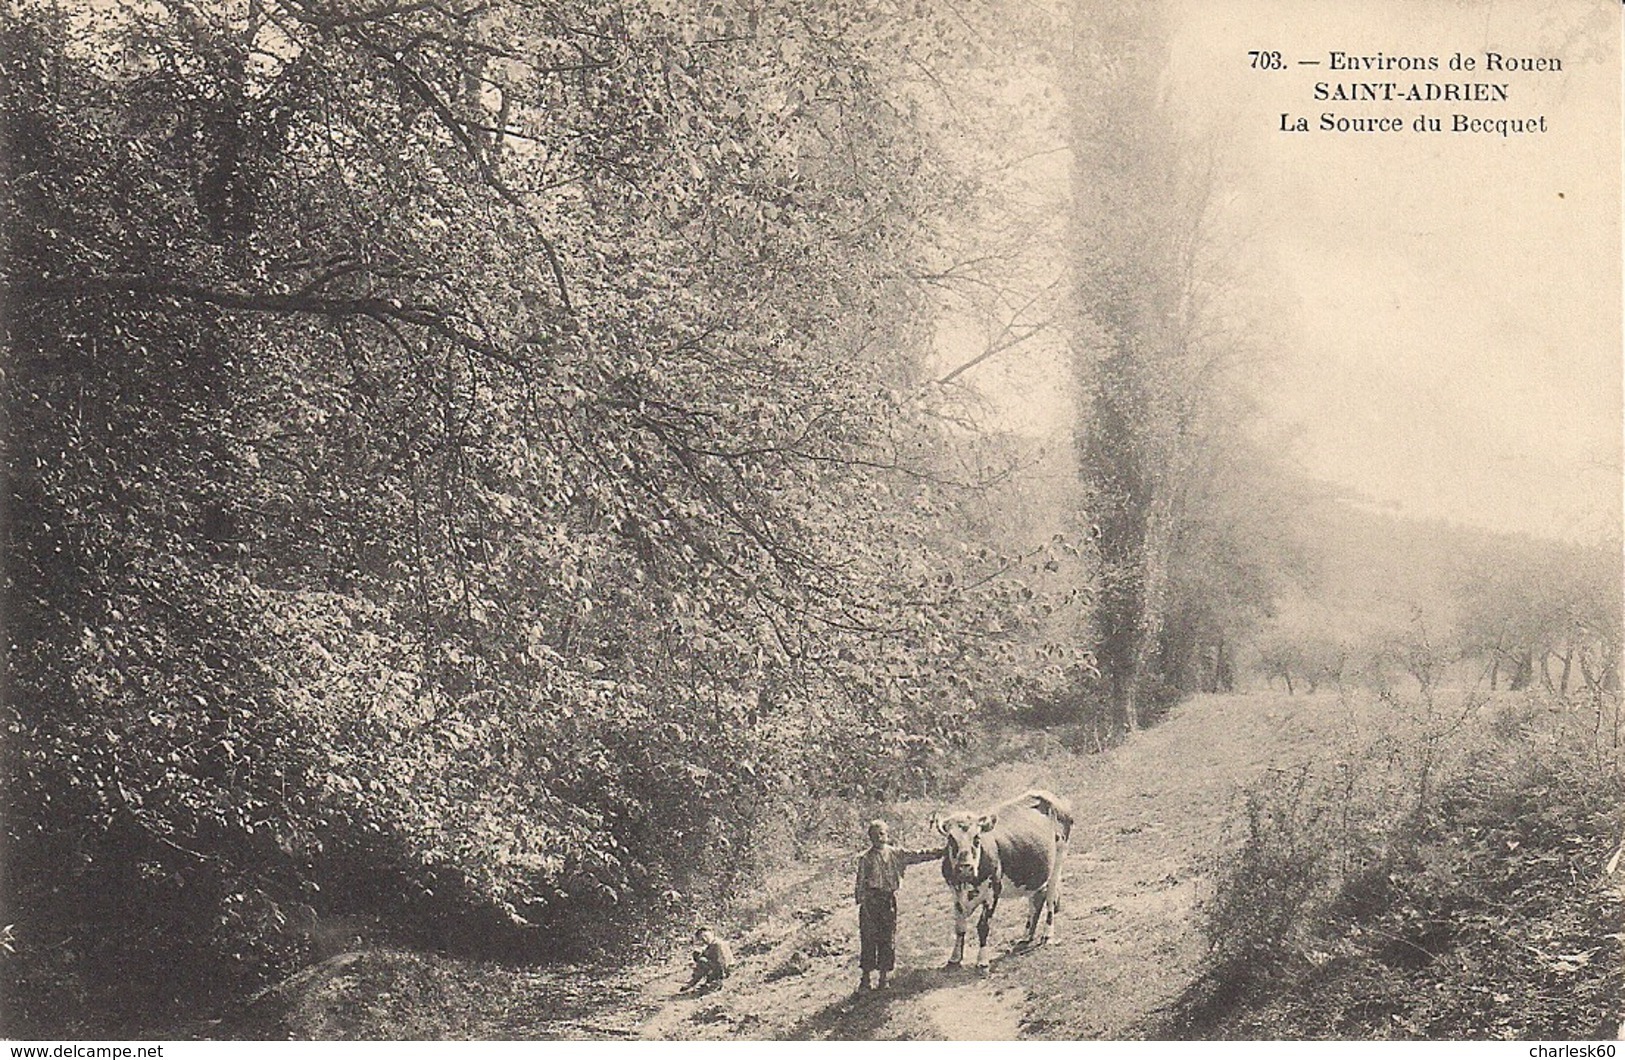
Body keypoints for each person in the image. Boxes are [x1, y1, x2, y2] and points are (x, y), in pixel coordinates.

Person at [853, 819, 943, 992]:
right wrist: (863, 902)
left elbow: (918, 855)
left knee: (887, 937)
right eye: (874, 835)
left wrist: (941, 852)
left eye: (881, 833)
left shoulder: (896, 854)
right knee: (869, 938)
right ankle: (865, 979)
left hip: (887, 900)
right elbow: (860, 883)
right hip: (871, 901)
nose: (879, 837)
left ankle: (883, 977)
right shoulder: (866, 858)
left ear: (887, 835)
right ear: (870, 838)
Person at [682, 925, 735, 992]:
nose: (704, 939)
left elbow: (723, 962)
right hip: (720, 969)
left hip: (725, 970)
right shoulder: (713, 944)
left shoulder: (718, 944)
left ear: (711, 934)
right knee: (701, 960)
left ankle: (714, 982)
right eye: (702, 938)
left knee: (702, 961)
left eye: (705, 936)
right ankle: (694, 983)